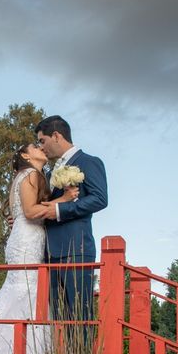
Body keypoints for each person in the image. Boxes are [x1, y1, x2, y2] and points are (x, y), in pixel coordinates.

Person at [0, 143, 78, 354]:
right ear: (26, 155)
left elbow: (24, 212)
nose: (41, 148)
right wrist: (64, 199)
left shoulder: (26, 175)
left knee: (24, 290)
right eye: (35, 146)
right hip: (26, 241)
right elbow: (30, 212)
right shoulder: (31, 173)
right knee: (28, 290)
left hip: (25, 238)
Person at [34, 115, 108, 329]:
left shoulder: (89, 162)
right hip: (48, 254)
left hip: (76, 249)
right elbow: (42, 205)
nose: (41, 147)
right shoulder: (48, 172)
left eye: (42, 140)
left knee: (79, 318)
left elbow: (100, 199)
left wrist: (60, 209)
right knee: (55, 320)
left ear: (56, 136)